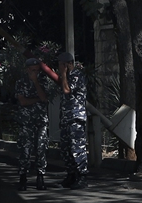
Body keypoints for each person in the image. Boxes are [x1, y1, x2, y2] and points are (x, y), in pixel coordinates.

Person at [13, 57, 50, 190]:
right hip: (26, 121)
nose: (35, 72)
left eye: (37, 70)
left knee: (41, 149)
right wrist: (37, 99)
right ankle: (23, 177)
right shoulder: (21, 82)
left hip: (40, 121)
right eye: (32, 70)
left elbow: (44, 98)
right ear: (27, 69)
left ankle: (40, 177)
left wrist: (36, 83)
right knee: (25, 150)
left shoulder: (43, 81)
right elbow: (22, 101)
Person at [57, 51, 89, 189]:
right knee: (65, 148)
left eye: (61, 65)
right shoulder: (67, 76)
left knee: (77, 148)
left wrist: (63, 74)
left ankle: (82, 175)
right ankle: (71, 174)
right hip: (66, 117)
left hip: (76, 117)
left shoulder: (76, 76)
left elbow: (66, 90)